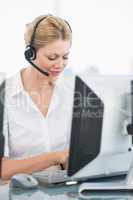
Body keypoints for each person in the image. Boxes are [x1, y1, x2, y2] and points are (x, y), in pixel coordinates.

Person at [1, 14, 75, 180]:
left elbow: (75, 156)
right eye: (52, 57)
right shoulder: (5, 95)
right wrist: (56, 157)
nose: (60, 65)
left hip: (63, 192)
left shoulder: (70, 93)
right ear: (30, 54)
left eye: (65, 57)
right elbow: (3, 170)